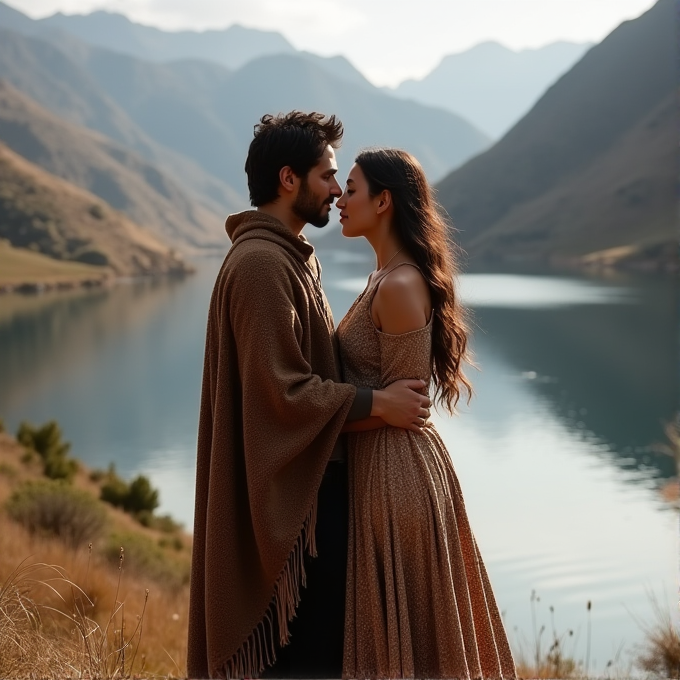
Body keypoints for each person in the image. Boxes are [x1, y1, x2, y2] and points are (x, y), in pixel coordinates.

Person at [187, 114, 431, 680]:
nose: (336, 190)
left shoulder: (290, 256)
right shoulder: (259, 266)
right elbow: (283, 394)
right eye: (327, 176)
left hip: (311, 495)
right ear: (289, 179)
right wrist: (379, 403)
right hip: (294, 513)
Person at [335, 148, 517, 679]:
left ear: (383, 200)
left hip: (395, 480)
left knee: (408, 647)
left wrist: (317, 416)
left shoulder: (398, 285)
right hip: (385, 469)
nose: (340, 201)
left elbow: (405, 406)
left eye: (351, 189)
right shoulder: (384, 277)